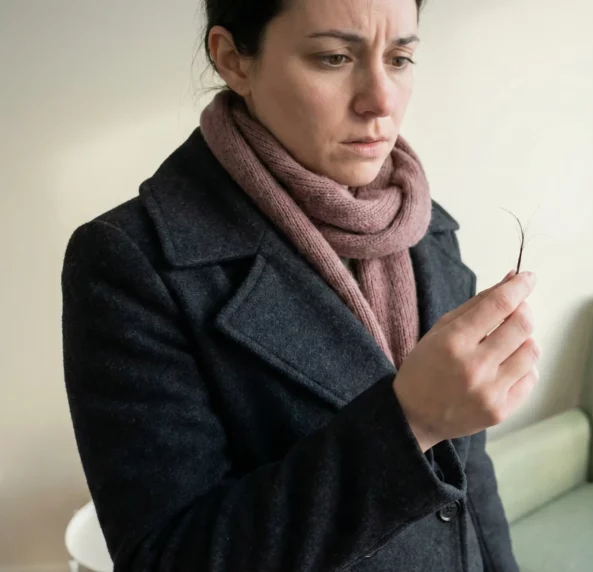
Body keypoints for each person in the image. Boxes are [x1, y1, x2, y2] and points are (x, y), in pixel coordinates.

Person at [60, 0, 539, 570]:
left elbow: (468, 481)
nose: (381, 101)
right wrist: (411, 422)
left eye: (401, 57)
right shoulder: (130, 264)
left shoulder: (426, 227)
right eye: (334, 57)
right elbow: (169, 558)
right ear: (233, 59)